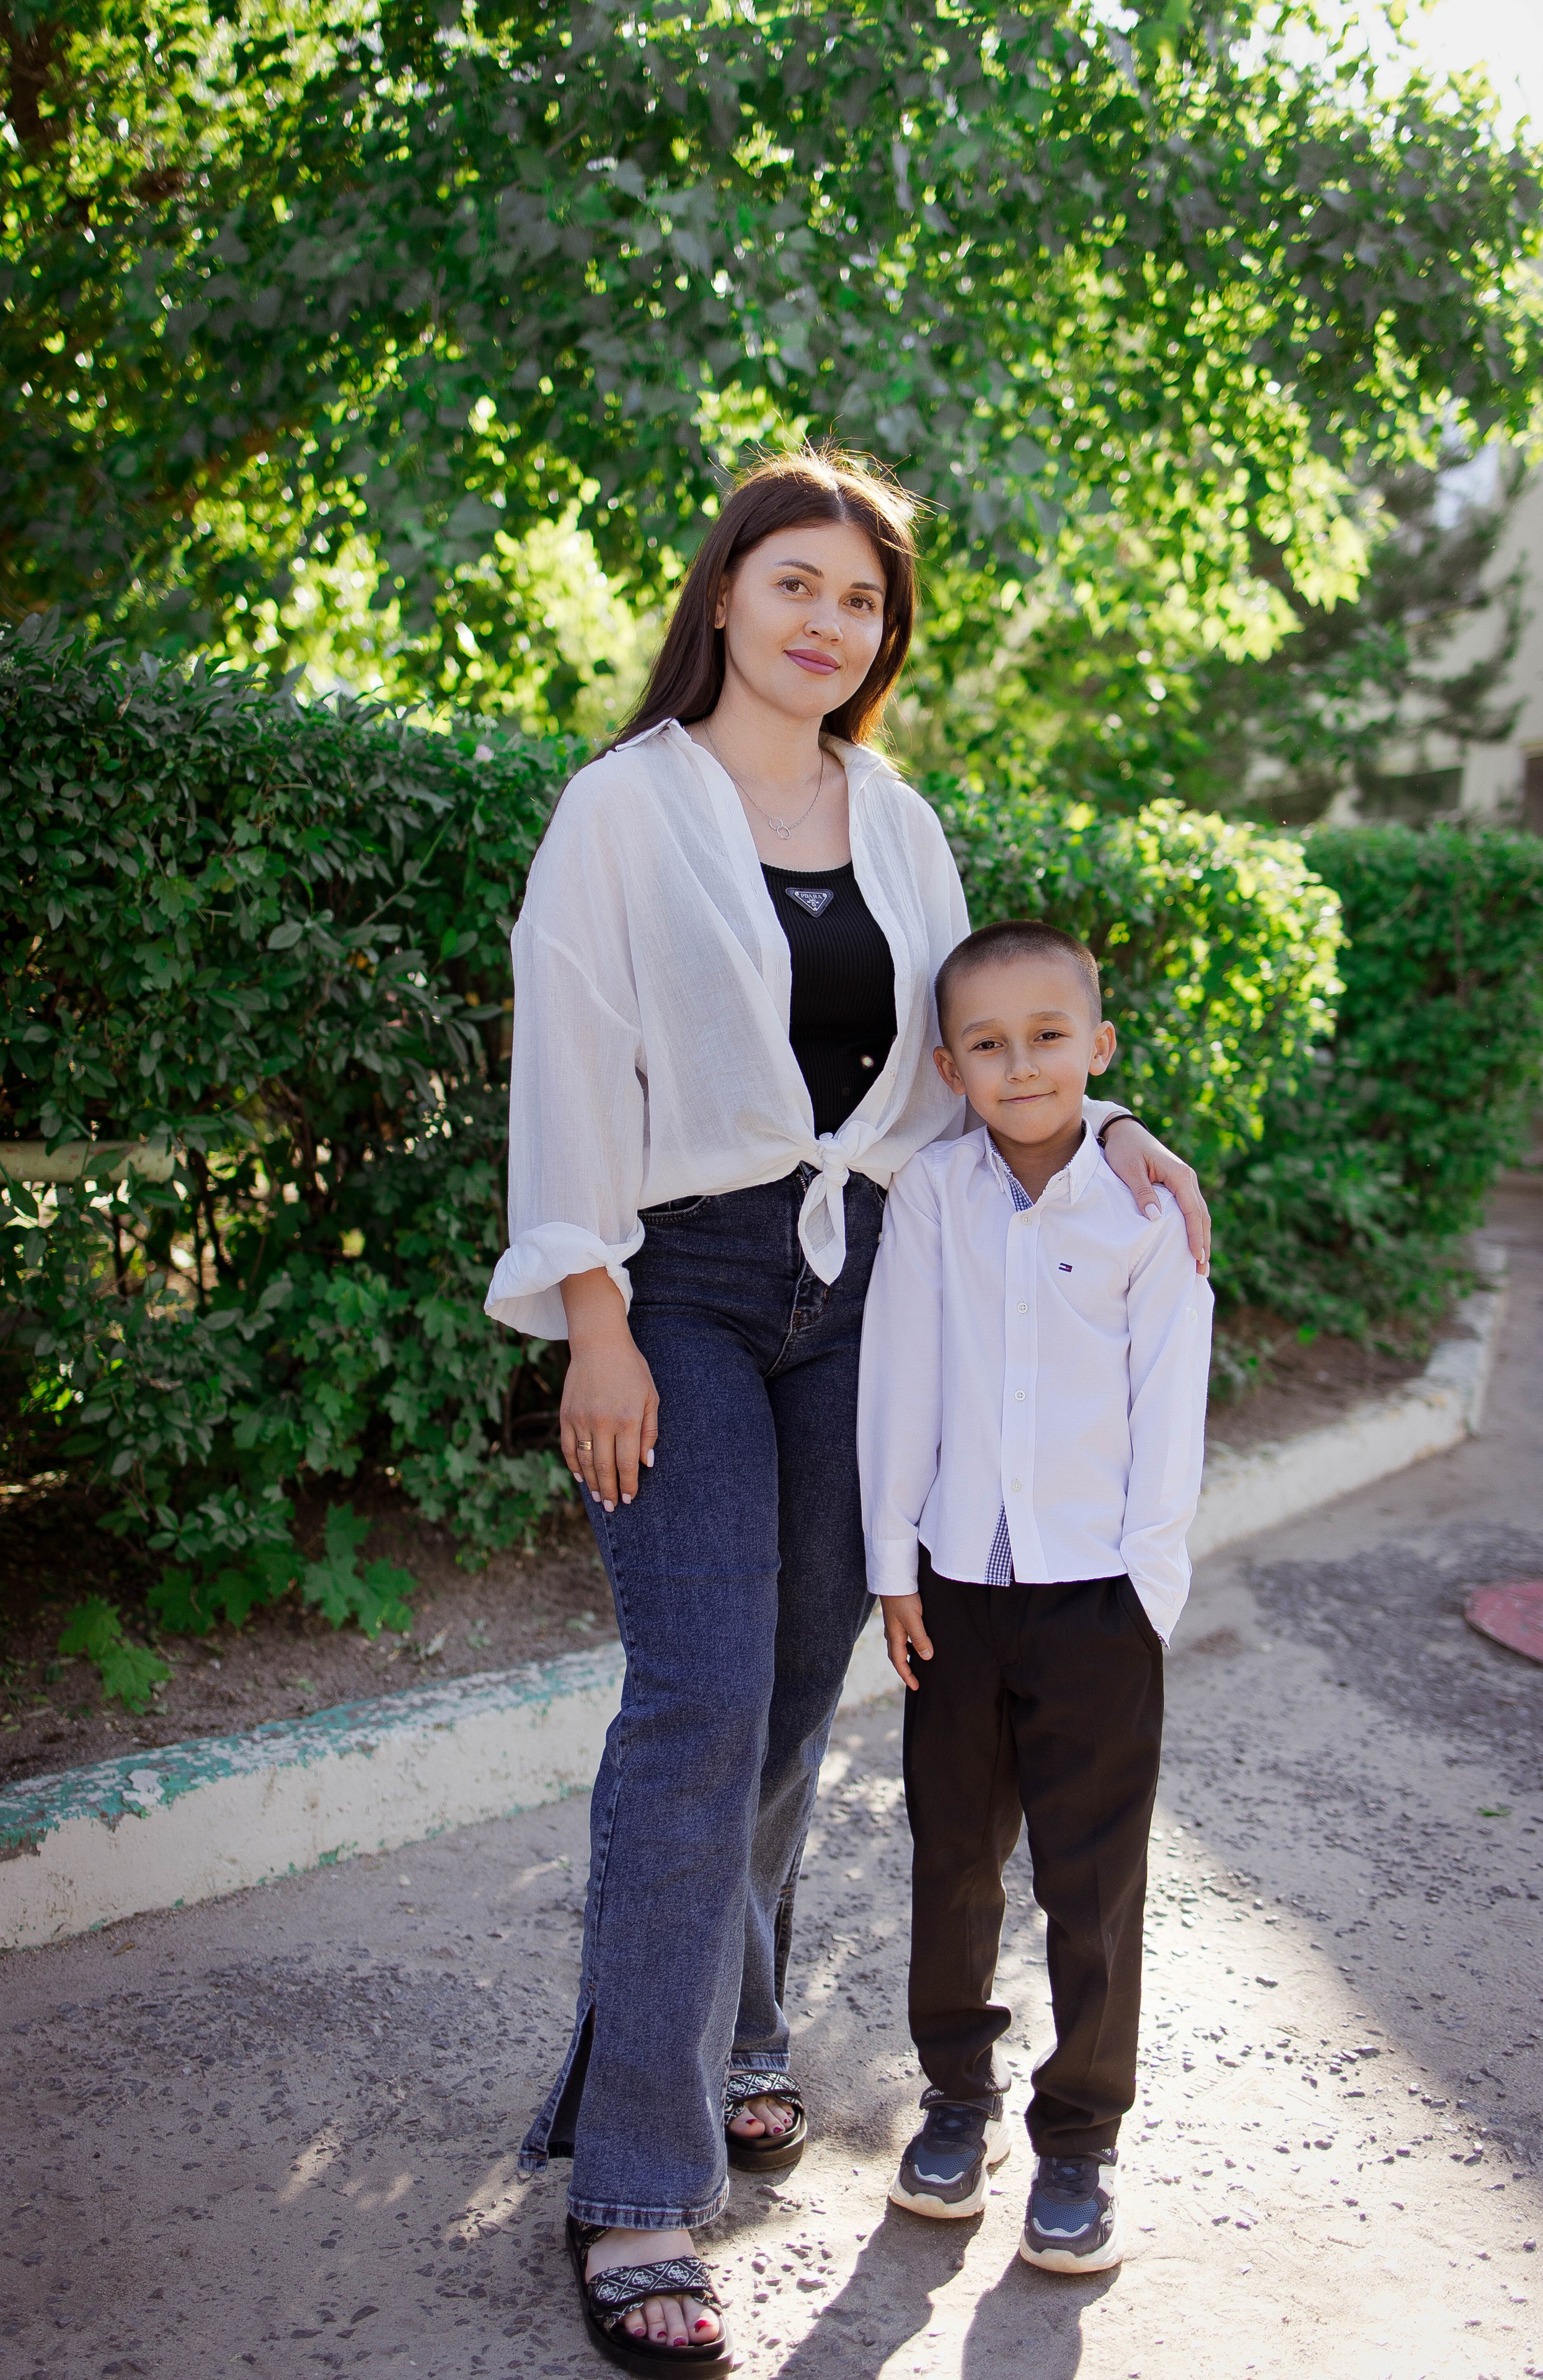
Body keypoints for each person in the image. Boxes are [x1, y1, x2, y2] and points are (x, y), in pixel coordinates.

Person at [484, 448, 1211, 2373]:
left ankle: (736, 2031)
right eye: (795, 582)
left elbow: (986, 1042)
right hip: (683, 1286)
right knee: (700, 1693)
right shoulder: (622, 811)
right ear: (723, 594)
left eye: (863, 600)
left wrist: (1114, 1120)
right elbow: (567, 1067)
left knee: (806, 1683)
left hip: (866, 1284)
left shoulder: (895, 818)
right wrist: (595, 1318)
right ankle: (637, 2183)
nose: (829, 621)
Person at [859, 918, 1213, 2276]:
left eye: (1049, 1038)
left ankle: (1078, 2136)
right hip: (954, 1590)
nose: (1021, 1067)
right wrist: (892, 1564)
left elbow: (1166, 1413)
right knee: (950, 1859)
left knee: (1090, 1879)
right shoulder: (932, 1197)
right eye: (989, 1045)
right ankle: (957, 2098)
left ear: (1099, 1048)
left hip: (1096, 1605)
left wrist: (1144, 1589)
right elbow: (898, 1383)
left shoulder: (1144, 1207)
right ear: (947, 1064)